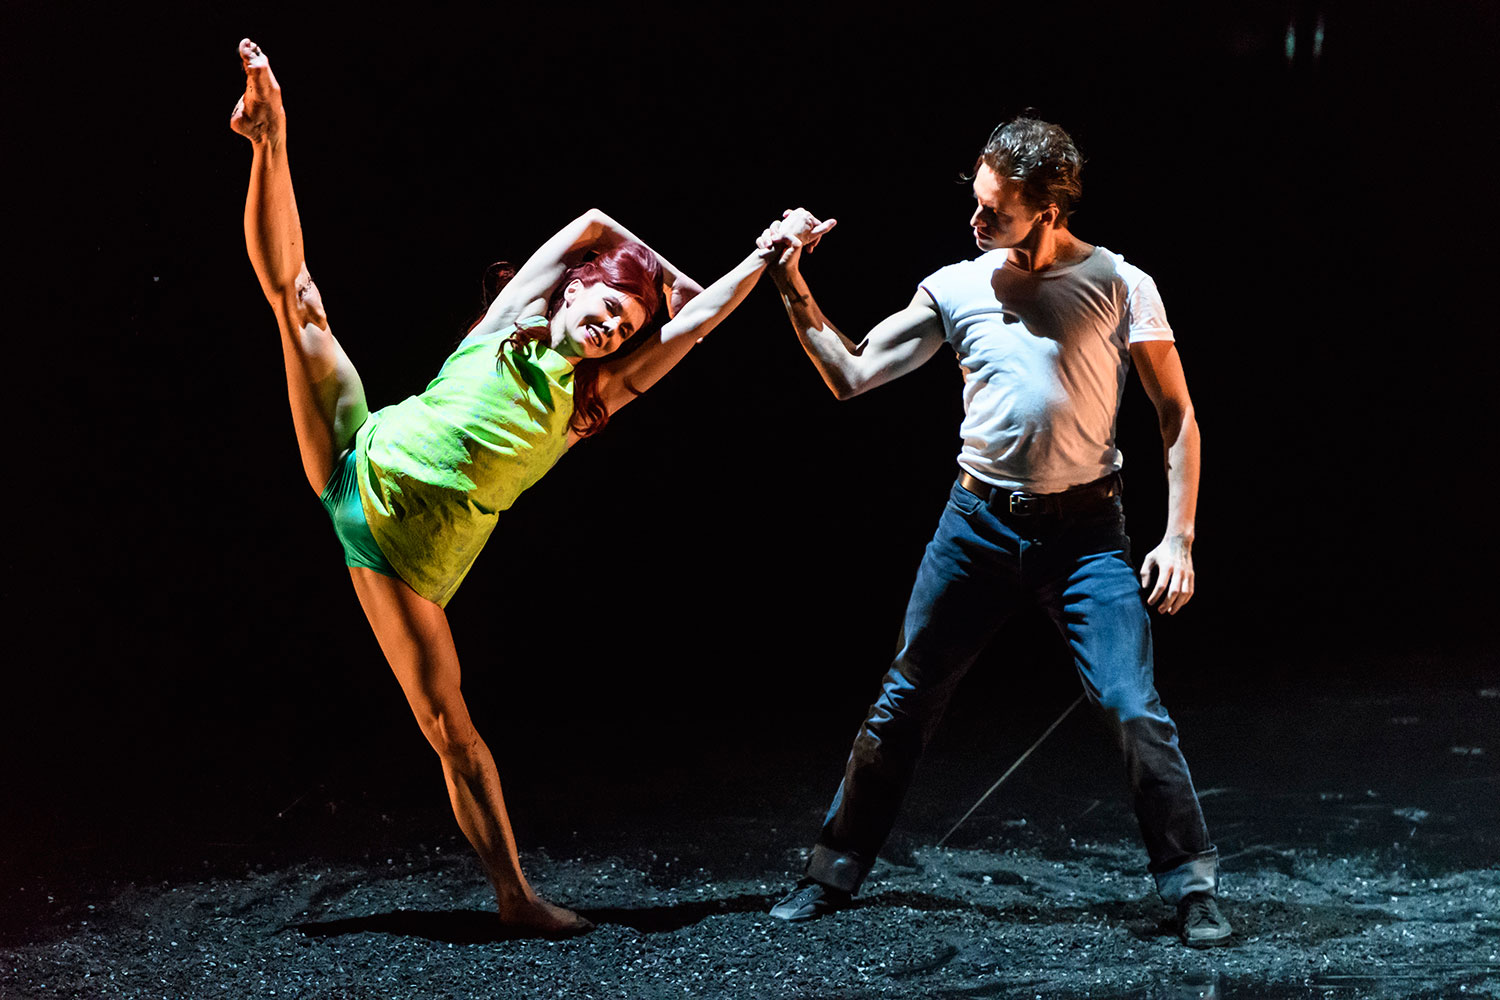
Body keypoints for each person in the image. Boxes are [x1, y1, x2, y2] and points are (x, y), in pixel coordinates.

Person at [229, 38, 803, 938]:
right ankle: (271, 136)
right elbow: (591, 223)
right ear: (572, 293)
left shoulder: (591, 401)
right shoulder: (508, 322)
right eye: (605, 306)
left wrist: (760, 260)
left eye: (624, 327)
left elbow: (692, 326)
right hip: (360, 449)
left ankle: (513, 895)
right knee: (296, 298)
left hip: (398, 558)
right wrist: (656, 274)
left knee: (449, 728)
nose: (612, 326)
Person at [762, 117, 1232, 948]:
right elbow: (851, 374)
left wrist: (1179, 537)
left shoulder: (1122, 282)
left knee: (1130, 705)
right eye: (975, 205)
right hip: (976, 526)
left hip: (1087, 532)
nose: (975, 225)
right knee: (905, 699)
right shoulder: (956, 285)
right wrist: (792, 282)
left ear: (1048, 208)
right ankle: (831, 870)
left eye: (996, 213)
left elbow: (1178, 417)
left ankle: (1191, 886)